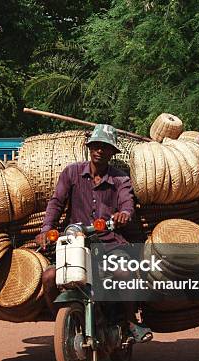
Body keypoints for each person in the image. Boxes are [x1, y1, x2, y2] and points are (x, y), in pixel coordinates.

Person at [35, 124, 153, 342]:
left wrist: (124, 215)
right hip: (75, 244)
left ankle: (130, 322)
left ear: (112, 152)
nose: (100, 150)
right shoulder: (72, 173)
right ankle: (65, 325)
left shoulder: (120, 180)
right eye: (96, 146)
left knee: (123, 271)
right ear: (89, 148)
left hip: (110, 244)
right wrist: (46, 229)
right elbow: (56, 203)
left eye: (105, 147)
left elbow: (127, 205)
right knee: (49, 277)